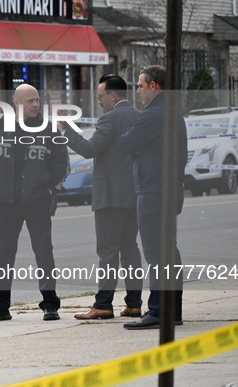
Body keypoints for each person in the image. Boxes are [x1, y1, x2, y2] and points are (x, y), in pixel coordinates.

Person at [0, 84, 70, 322]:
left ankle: (50, 305)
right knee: (3, 255)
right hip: (3, 202)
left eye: (37, 100)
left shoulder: (48, 130)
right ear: (16, 103)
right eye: (30, 101)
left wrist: (48, 186)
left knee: (43, 252)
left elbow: (62, 163)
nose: (36, 105)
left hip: (36, 200)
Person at [60, 74, 143, 320]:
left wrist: (68, 129)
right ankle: (135, 303)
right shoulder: (140, 117)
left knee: (107, 252)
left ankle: (103, 304)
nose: (99, 102)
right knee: (130, 250)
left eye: (101, 96)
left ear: (113, 96)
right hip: (134, 194)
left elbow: (89, 149)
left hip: (111, 196)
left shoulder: (110, 119)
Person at [117, 65, 188, 330]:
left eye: (141, 86)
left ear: (154, 86)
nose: (137, 91)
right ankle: (173, 311)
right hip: (170, 189)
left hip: (153, 190)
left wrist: (138, 148)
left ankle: (159, 310)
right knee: (169, 252)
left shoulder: (154, 114)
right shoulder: (174, 113)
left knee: (157, 254)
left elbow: (125, 143)